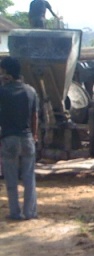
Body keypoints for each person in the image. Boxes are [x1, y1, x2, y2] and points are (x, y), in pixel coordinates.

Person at [0, 56, 39, 221]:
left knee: (11, 178)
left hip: (9, 139)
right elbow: (35, 116)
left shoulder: (2, 91)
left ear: (6, 72)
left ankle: (15, 213)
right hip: (27, 138)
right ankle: (29, 213)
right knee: (29, 177)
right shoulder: (30, 91)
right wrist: (34, 135)